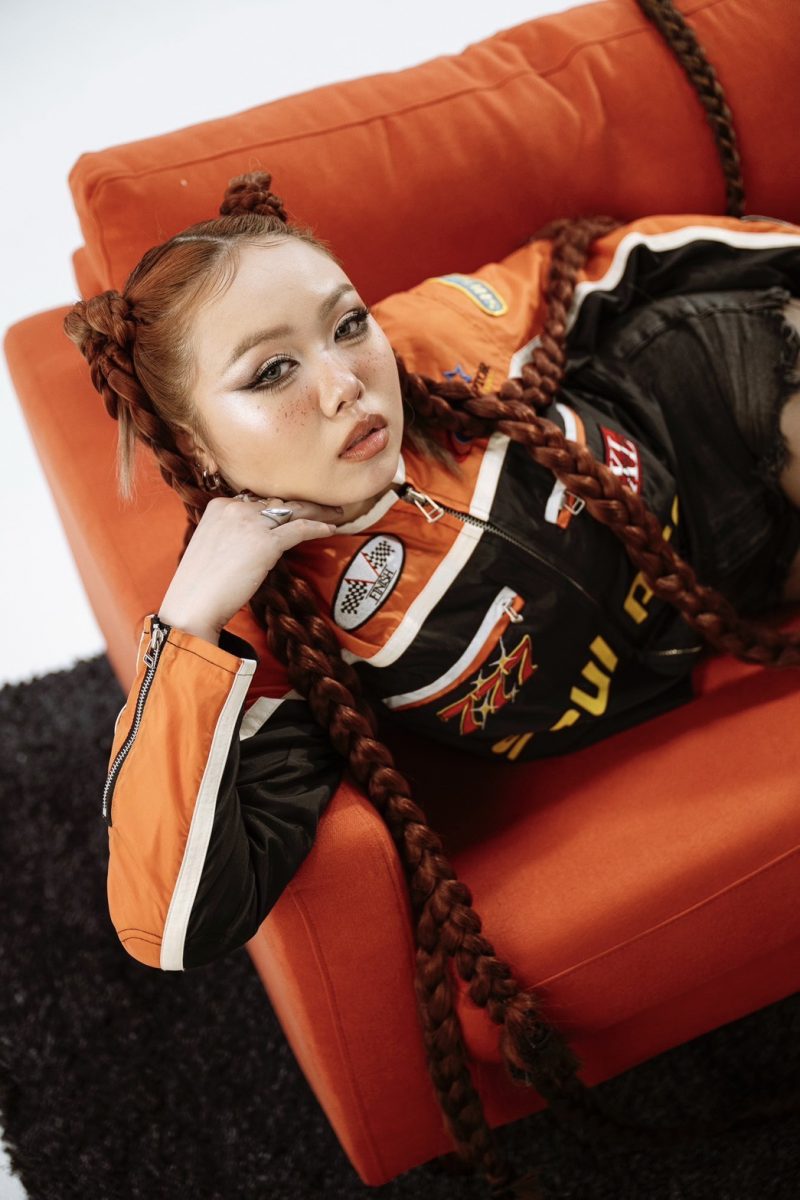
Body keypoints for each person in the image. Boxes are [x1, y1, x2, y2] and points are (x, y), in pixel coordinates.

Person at [64, 172, 800, 1199]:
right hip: (747, 568)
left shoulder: (421, 342)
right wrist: (185, 627)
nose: (344, 383)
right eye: (271, 371)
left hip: (710, 390)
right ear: (194, 444)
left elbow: (608, 263)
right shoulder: (280, 632)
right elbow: (172, 923)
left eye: (344, 325)